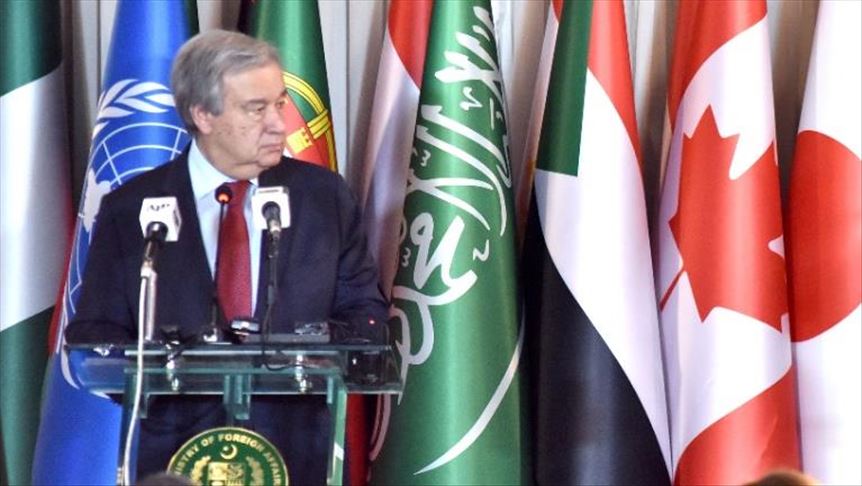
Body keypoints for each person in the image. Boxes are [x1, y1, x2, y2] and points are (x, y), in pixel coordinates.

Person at [65, 30, 389, 484]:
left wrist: (311, 347)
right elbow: (94, 333)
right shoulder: (133, 208)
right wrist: (169, 371)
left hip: (300, 455)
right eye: (256, 109)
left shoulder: (323, 198)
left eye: (279, 104)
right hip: (178, 457)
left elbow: (366, 314)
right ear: (203, 114)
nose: (278, 125)